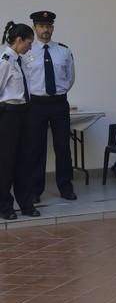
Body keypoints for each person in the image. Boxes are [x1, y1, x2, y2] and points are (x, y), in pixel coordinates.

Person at [23, 11, 76, 202]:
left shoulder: (64, 51)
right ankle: (35, 190)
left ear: (53, 28)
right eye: (42, 26)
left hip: (59, 103)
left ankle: (66, 187)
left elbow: (70, 78)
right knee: (36, 148)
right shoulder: (27, 52)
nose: (46, 30)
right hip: (36, 104)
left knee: (63, 147)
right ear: (35, 28)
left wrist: (57, 93)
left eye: (49, 26)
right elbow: (24, 80)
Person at [0, 22, 36, 220]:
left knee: (24, 160)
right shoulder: (5, 61)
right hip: (9, 115)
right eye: (28, 42)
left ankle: (26, 203)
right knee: (6, 162)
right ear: (19, 40)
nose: (30, 46)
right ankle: (5, 205)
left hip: (25, 112)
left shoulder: (22, 61)